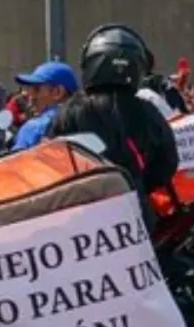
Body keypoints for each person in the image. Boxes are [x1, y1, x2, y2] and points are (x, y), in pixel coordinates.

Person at [51, 26, 179, 222]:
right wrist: (136, 184)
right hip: (134, 213)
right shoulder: (148, 111)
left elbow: (51, 162)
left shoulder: (70, 111)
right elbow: (167, 163)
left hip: (81, 216)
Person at [9, 61, 79, 151]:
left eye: (36, 89)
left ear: (58, 92)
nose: (30, 96)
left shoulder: (34, 128)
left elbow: (15, 164)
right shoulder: (87, 122)